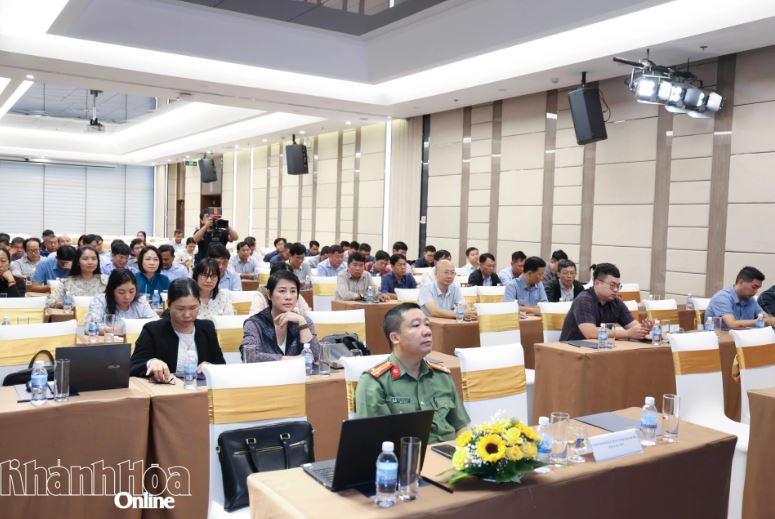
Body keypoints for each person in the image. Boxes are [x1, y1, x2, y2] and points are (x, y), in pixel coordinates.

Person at [355, 303, 470, 444]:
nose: (427, 331)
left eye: (427, 324)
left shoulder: (442, 376)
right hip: (407, 461)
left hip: (450, 457)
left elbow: (461, 428)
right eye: (416, 326)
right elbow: (374, 442)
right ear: (395, 338)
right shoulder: (375, 383)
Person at [130, 278, 226, 381]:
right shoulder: (153, 330)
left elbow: (221, 366)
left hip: (200, 391)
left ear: (199, 303)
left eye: (193, 308)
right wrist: (151, 363)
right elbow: (132, 366)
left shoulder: (207, 328)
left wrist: (209, 366)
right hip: (166, 392)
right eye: (180, 309)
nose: (187, 314)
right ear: (169, 304)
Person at [239, 270, 320, 362]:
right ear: (269, 295)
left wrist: (302, 323)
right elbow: (248, 355)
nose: (288, 297)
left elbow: (315, 356)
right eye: (282, 291)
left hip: (298, 375)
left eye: (293, 291)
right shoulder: (255, 324)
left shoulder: (303, 321)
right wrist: (292, 360)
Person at [560, 263, 653, 341]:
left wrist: (643, 329)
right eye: (612, 285)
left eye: (618, 286)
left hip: (600, 350)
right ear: (597, 283)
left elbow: (633, 326)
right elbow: (590, 332)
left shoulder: (616, 302)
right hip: (572, 352)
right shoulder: (584, 300)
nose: (616, 290)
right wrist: (628, 333)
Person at [707, 266, 775, 330]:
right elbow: (732, 324)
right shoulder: (722, 298)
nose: (756, 291)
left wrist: (770, 320)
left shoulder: (751, 300)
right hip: (719, 340)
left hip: (742, 339)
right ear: (741, 282)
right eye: (754, 287)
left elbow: (765, 317)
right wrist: (763, 321)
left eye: (758, 288)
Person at [87, 268, 158, 322]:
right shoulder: (100, 301)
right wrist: (123, 330)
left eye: (131, 291)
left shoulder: (140, 301)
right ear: (111, 290)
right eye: (121, 292)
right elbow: (91, 326)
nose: (127, 297)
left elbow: (155, 322)